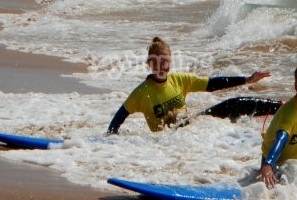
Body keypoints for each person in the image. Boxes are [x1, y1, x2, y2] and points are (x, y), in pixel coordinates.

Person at [107, 37, 275, 134]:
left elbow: (212, 84)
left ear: (170, 62)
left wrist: (246, 80)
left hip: (189, 132)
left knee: (235, 104)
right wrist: (113, 143)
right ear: (149, 64)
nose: (162, 67)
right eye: (157, 62)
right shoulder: (141, 93)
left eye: (165, 62)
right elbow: (118, 119)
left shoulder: (180, 80)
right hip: (163, 141)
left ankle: (279, 108)